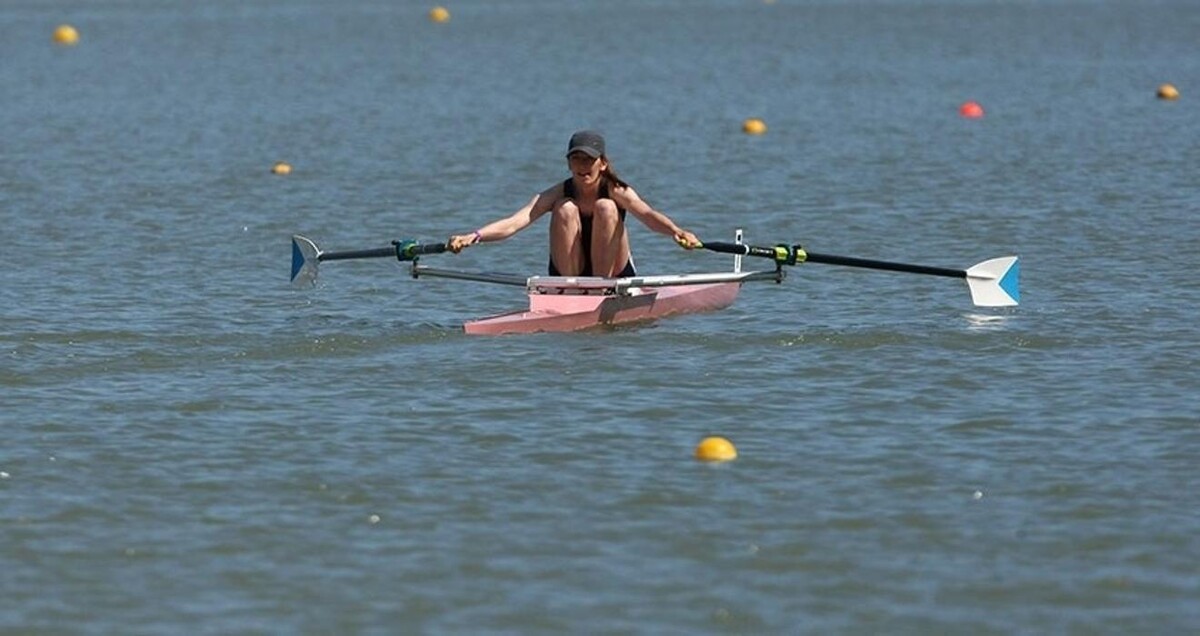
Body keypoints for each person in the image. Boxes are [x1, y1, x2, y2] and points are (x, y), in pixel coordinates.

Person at [447, 130, 701, 277]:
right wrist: (474, 236)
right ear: (568, 163)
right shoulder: (557, 192)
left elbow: (648, 215)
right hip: (571, 274)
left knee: (606, 206)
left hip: (613, 272)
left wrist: (677, 232)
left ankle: (601, 288)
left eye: (588, 160)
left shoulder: (617, 190)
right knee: (566, 208)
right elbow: (514, 224)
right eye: (576, 159)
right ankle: (572, 293)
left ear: (602, 163)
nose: (582, 167)